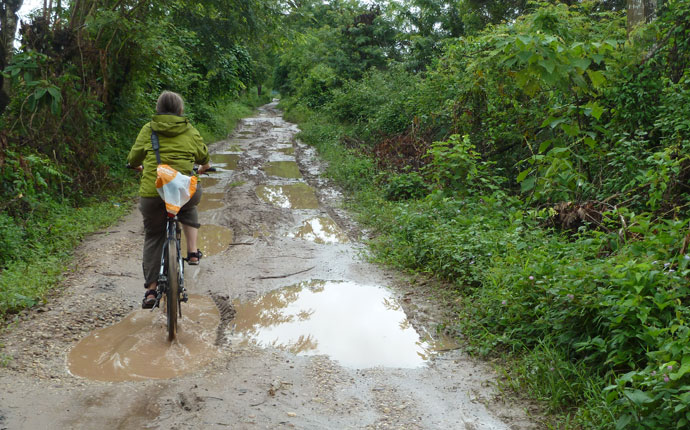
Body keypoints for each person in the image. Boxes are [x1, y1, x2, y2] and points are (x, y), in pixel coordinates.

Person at [127, 91, 211, 308]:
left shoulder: (148, 129)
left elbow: (133, 158)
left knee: (154, 235)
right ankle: (192, 253)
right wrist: (201, 169)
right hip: (183, 191)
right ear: (180, 110)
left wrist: (138, 167)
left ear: (158, 108)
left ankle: (151, 291)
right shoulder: (189, 129)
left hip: (153, 192)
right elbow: (204, 158)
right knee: (189, 204)